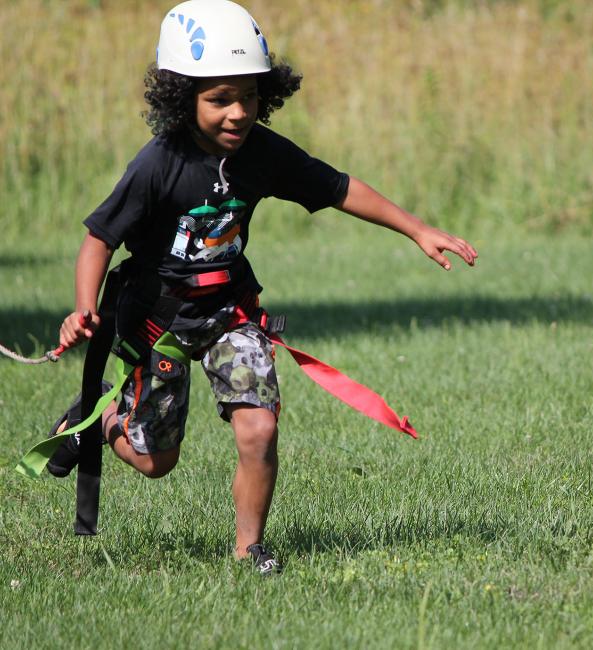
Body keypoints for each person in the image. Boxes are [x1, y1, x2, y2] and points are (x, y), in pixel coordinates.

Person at [48, 0, 478, 575]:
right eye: (219, 98)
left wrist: (418, 229)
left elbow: (338, 187)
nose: (237, 113)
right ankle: (97, 418)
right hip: (159, 324)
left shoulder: (263, 152)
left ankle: (249, 548)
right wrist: (83, 308)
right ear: (182, 96)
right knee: (156, 462)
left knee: (260, 425)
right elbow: (98, 240)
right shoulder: (158, 164)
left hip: (230, 313)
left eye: (249, 96)